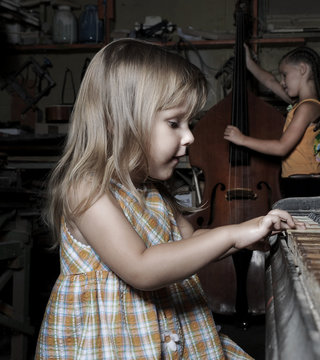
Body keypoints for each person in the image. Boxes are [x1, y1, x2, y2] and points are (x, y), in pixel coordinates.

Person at [36, 38, 301, 359]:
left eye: (189, 123)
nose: (190, 136)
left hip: (168, 334)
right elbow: (142, 268)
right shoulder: (87, 189)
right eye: (174, 123)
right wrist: (232, 233)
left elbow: (192, 242)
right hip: (113, 345)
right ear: (121, 122)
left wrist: (246, 236)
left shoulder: (154, 192)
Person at [224, 45, 320, 197]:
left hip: (303, 184)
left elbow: (282, 148)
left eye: (284, 75)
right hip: (296, 181)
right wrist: (248, 62)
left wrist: (242, 139)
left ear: (302, 69)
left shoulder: (307, 107)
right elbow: (270, 82)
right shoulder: (303, 104)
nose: (282, 82)